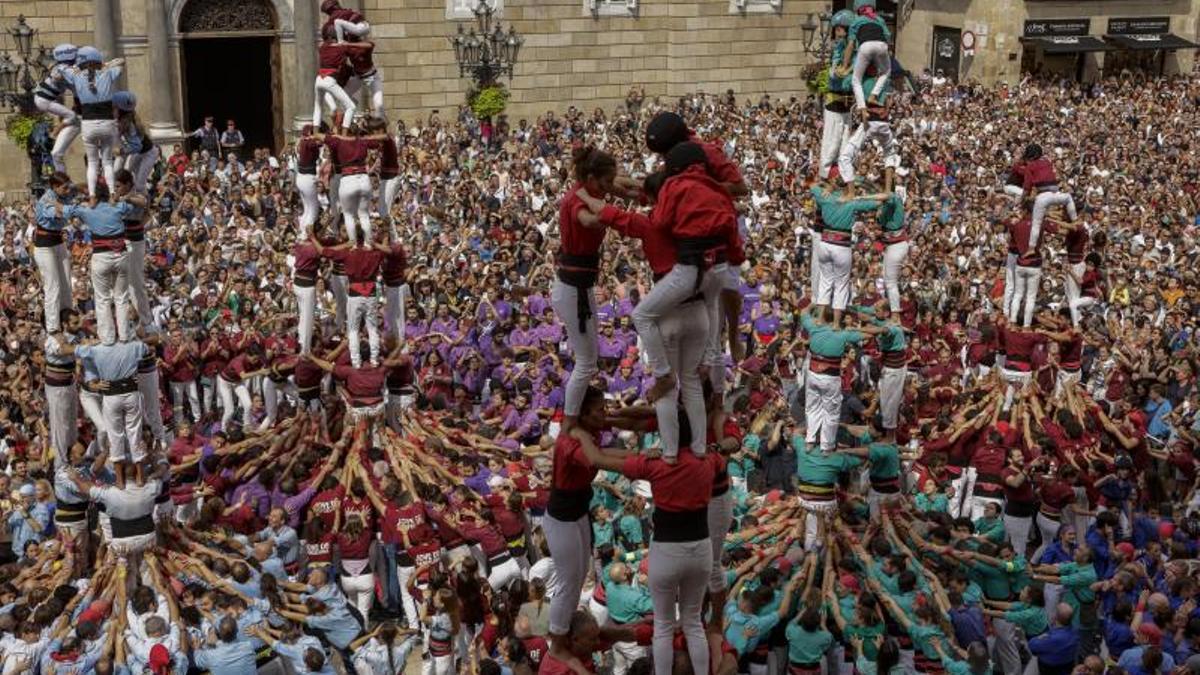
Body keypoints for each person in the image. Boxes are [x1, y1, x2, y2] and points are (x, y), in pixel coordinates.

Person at [552, 145, 615, 433]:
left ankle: (573, 417)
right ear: (590, 178)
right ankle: (569, 421)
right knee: (587, 363)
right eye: (605, 182)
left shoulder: (589, 191)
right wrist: (618, 217)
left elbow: (623, 185)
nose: (610, 187)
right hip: (572, 288)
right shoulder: (575, 201)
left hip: (580, 286)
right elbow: (588, 219)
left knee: (590, 360)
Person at [56, 46, 123, 196]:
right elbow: (121, 63)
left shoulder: (76, 76)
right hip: (107, 123)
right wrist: (105, 65)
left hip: (88, 124)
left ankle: (92, 196)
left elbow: (60, 67)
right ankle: (112, 193)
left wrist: (73, 67)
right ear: (97, 61)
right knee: (107, 162)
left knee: (92, 163)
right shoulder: (107, 74)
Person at [32, 171, 77, 334]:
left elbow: (75, 192)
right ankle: (53, 327)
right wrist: (74, 210)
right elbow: (58, 213)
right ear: (55, 187)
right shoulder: (46, 201)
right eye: (64, 188)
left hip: (58, 242)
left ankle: (68, 319)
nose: (67, 190)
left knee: (66, 283)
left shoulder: (64, 193)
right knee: (53, 286)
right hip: (44, 246)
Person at [34, 43, 81, 173]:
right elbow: (59, 75)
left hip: (41, 99)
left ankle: (56, 132)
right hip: (44, 100)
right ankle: (55, 132)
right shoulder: (62, 68)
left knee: (71, 116)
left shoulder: (62, 68)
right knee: (71, 116)